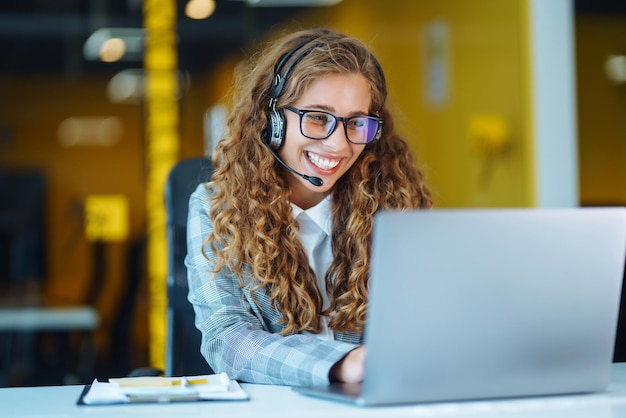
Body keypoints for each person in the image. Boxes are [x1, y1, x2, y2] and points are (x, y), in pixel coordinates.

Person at [185, 27, 432, 387]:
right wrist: (342, 364)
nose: (338, 144)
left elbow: (428, 323)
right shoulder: (216, 208)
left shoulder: (397, 204)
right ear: (271, 119)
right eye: (318, 117)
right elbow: (228, 340)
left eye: (356, 123)